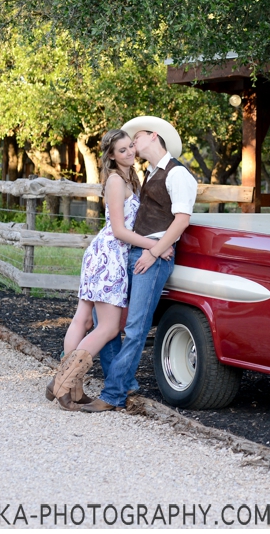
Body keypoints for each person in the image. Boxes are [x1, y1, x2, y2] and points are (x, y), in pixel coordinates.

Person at [47, 128, 170, 410]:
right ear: (112, 157)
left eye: (130, 147)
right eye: (122, 150)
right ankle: (63, 382)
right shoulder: (116, 181)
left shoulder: (132, 177)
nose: (129, 152)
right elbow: (118, 231)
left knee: (84, 320)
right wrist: (159, 245)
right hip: (109, 255)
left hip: (105, 254)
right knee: (109, 326)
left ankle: (73, 389)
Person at [80, 116, 196, 412]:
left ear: (153, 136)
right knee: (108, 323)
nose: (133, 144)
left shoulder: (178, 174)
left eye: (136, 138)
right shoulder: (149, 173)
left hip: (153, 258)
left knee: (135, 327)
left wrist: (155, 251)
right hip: (134, 254)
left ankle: (113, 395)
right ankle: (126, 382)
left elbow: (182, 220)